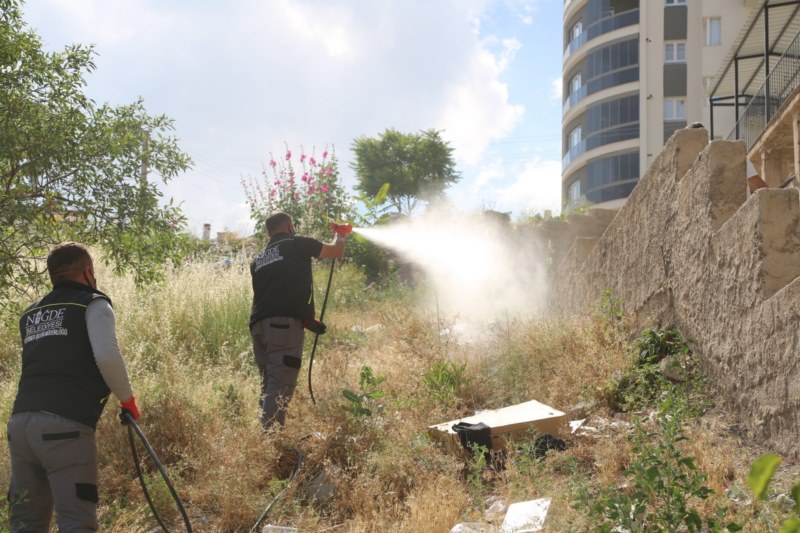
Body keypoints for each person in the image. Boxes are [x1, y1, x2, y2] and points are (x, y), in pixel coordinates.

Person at [6, 242, 140, 531]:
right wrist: (128, 401)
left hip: (20, 427)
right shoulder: (93, 303)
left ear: (53, 275)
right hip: (65, 430)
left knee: (25, 522)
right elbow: (106, 356)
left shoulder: (29, 314)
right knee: (77, 521)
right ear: (88, 271)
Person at [249, 213, 347, 429]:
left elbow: (276, 294)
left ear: (269, 231)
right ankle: (270, 441)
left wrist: (306, 320)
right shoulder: (297, 242)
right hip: (282, 327)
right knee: (280, 384)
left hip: (259, 327)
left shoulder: (258, 260)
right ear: (289, 225)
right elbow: (336, 251)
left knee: (269, 383)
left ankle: (263, 435)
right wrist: (340, 234)